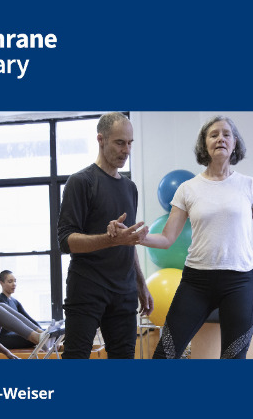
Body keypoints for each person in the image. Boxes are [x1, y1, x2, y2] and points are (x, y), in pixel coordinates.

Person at [109, 115, 253, 359]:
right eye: (214, 135)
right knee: (165, 354)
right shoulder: (188, 189)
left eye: (226, 134)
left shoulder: (251, 186)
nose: (220, 138)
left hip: (241, 281)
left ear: (235, 143)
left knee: (234, 360)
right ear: (205, 144)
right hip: (197, 282)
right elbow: (167, 238)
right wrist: (136, 237)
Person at [57, 112, 153, 359]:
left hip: (124, 291)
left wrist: (141, 283)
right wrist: (109, 239)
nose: (126, 150)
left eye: (130, 143)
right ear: (100, 139)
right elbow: (66, 241)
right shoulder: (81, 182)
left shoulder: (130, 187)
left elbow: (128, 241)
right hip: (87, 287)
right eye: (120, 143)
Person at [0, 270, 42, 349]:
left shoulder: (14, 301)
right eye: (10, 282)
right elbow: (12, 322)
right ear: (1, 283)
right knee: (34, 338)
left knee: (45, 334)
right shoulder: (0, 301)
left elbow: (27, 318)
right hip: (5, 338)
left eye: (15, 281)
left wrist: (42, 331)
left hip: (15, 334)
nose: (14, 284)